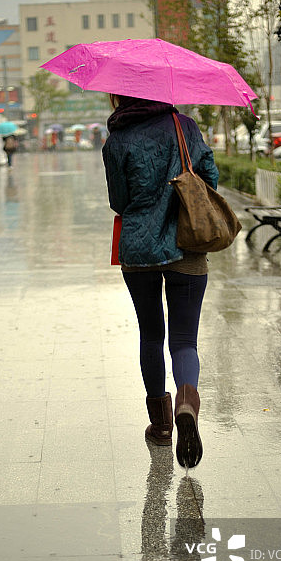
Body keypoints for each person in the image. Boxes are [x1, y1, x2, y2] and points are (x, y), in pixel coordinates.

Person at [102, 95, 219, 469]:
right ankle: (187, 401)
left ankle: (162, 425)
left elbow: (119, 201)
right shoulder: (183, 126)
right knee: (184, 340)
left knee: (151, 335)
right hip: (187, 242)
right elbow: (210, 177)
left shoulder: (116, 139)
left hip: (138, 248)